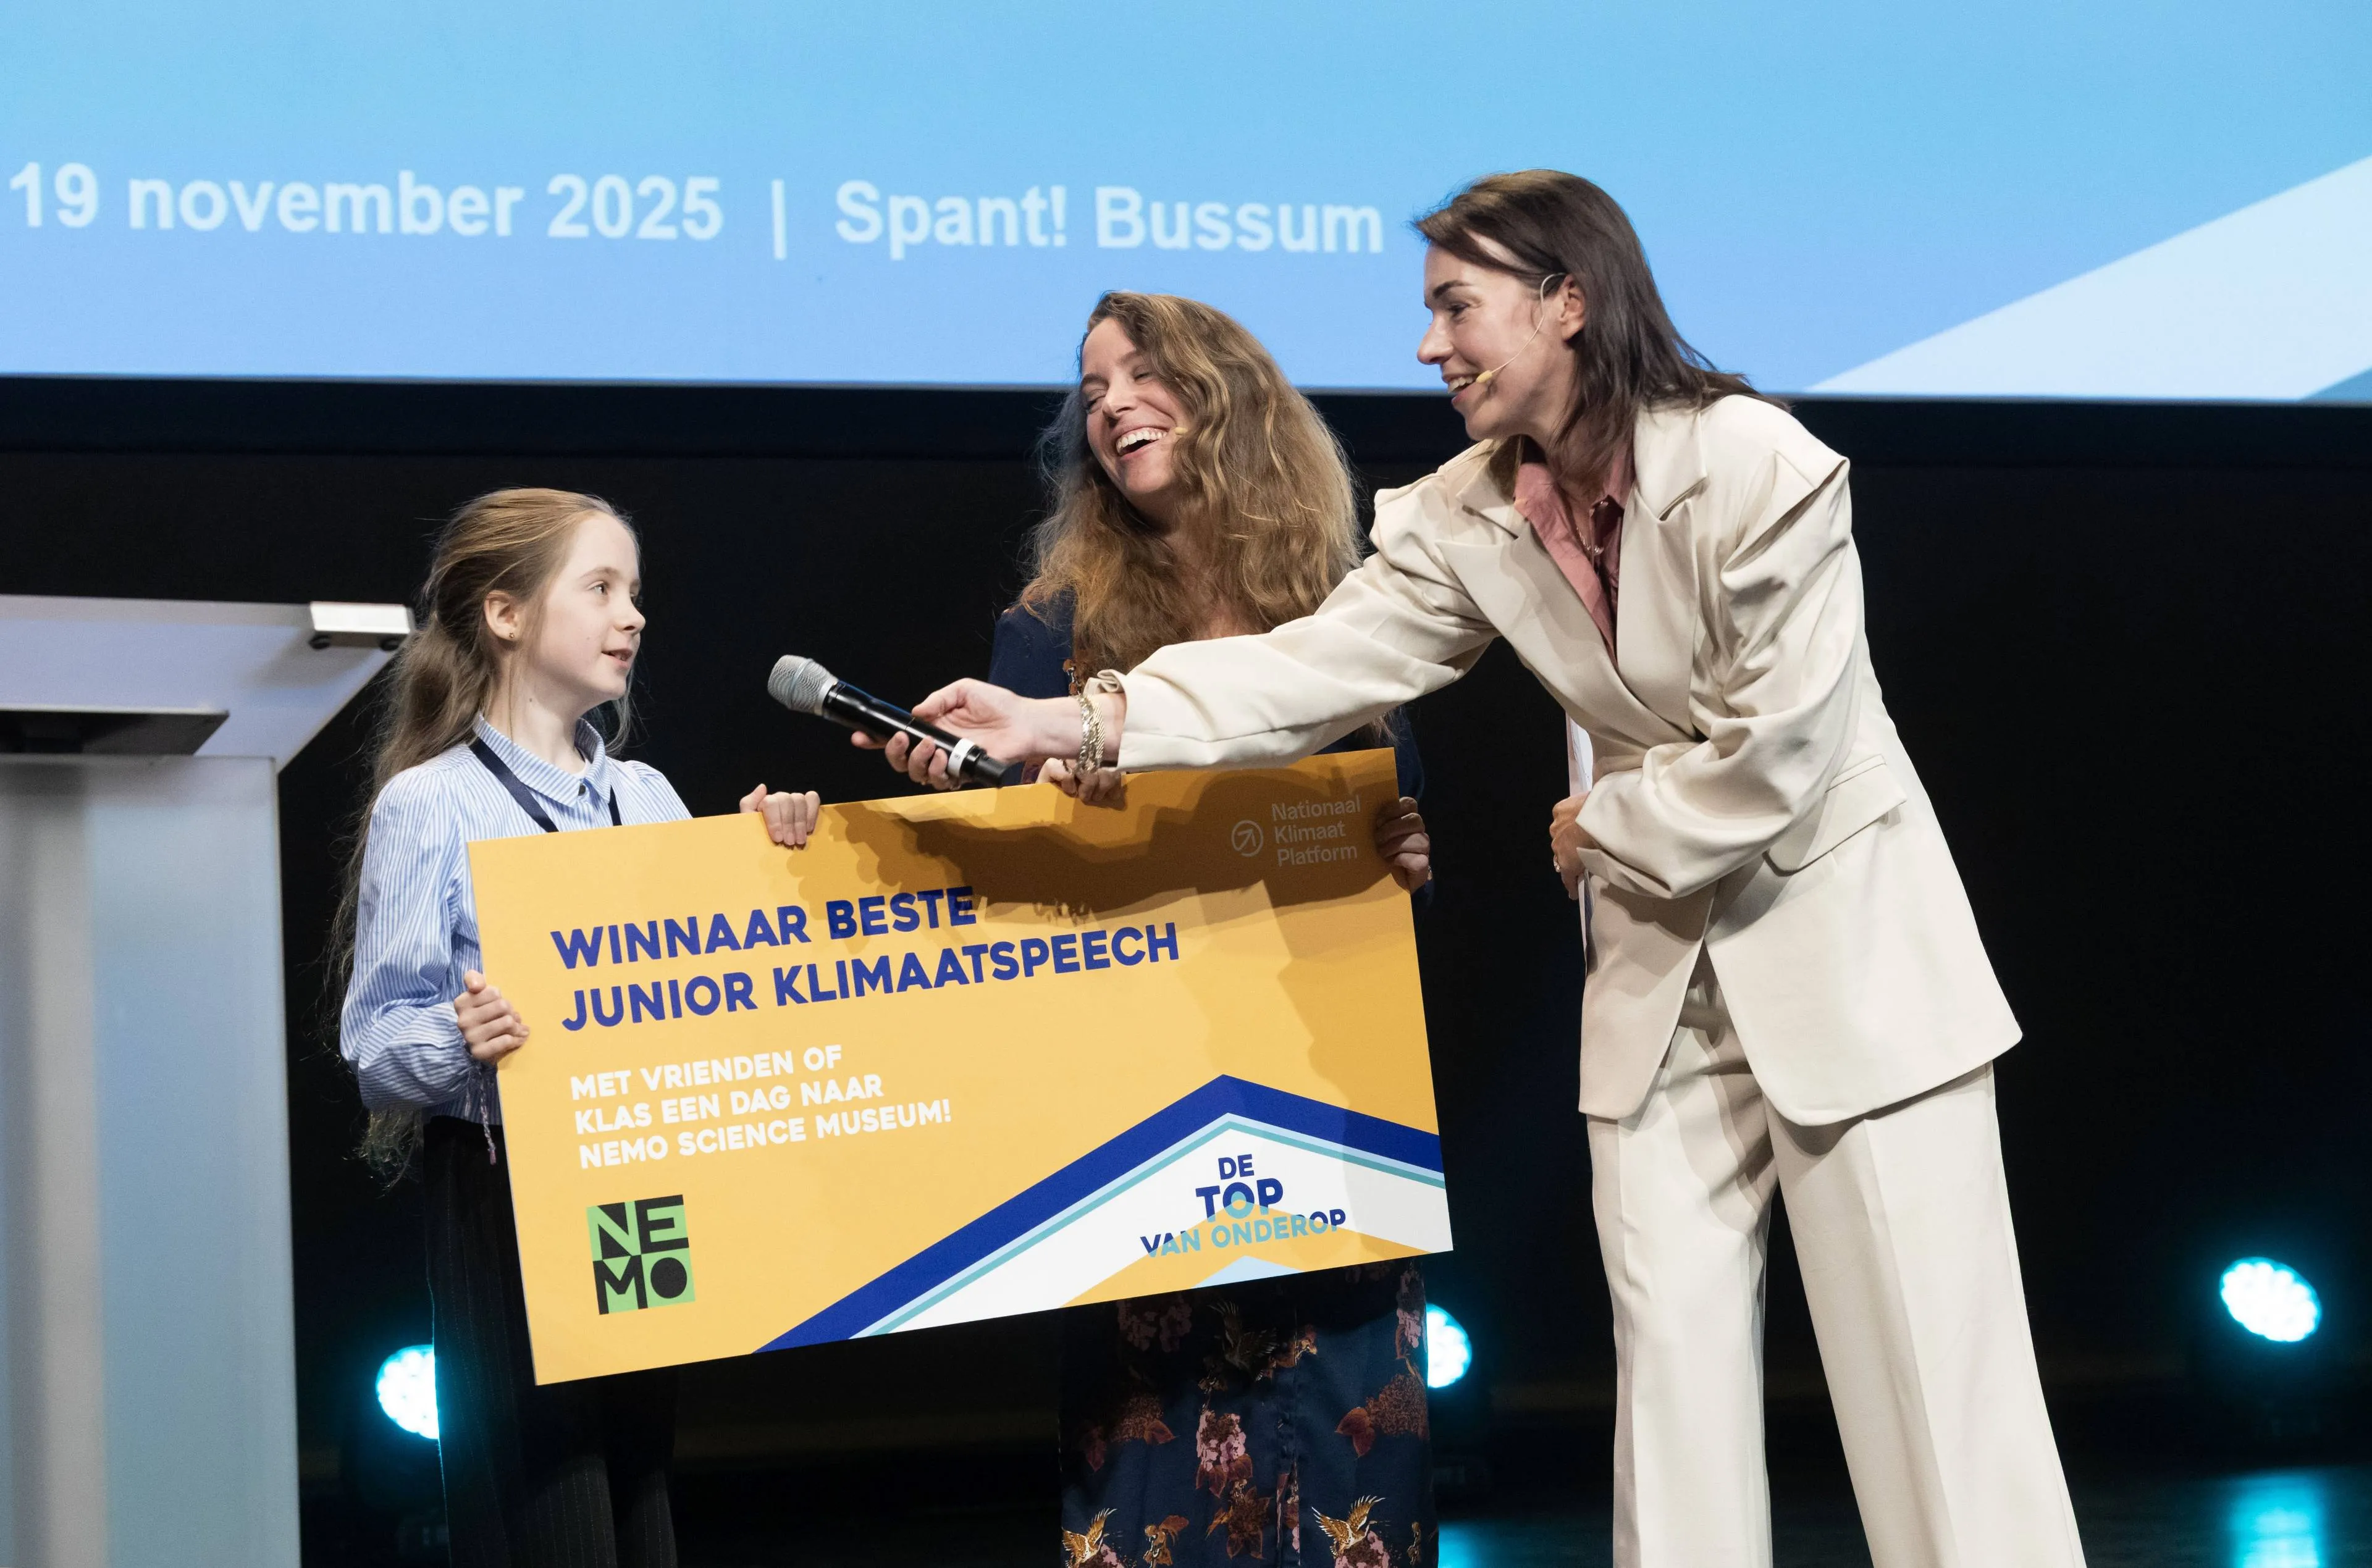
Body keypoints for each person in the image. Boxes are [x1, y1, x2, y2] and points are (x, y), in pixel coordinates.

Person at [890, 173, 2087, 1568]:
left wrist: (1606, 831)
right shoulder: (1464, 513)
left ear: (1569, 303)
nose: (1428, 346)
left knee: (1937, 1399)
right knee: (1673, 1407)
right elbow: (1311, 669)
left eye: (1457, 306)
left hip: (1852, 964)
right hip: (1657, 995)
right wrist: (1072, 718)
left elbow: (1786, 755)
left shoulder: (1760, 465)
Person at [878, 291, 1436, 1568]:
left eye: (1142, 373)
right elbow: (1019, 889)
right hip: (1147, 1130)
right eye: (1092, 389)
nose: (1113, 401)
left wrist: (1405, 852)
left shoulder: (1348, 612)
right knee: (1158, 1499)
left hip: (1328, 1100)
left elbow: (1387, 830)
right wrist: (1033, 812)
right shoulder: (1051, 629)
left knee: (1351, 1480)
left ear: (1224, 391)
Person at [336, 488, 820, 1568]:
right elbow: (374, 1045)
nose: (633, 614)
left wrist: (765, 864)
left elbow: (718, 995)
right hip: (504, 1188)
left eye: (636, 592)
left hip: (639, 1186)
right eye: (600, 587)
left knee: (640, 1499)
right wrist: (462, 1040)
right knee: (546, 1510)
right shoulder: (433, 801)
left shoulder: (645, 795)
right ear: (506, 615)